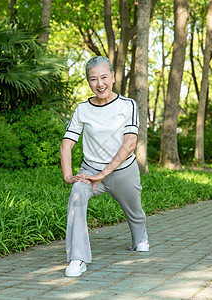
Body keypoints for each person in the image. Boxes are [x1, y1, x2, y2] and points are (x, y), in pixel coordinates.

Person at [60, 56, 149, 277]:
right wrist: (69, 176)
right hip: (89, 172)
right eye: (93, 79)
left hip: (123, 171)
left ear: (112, 77)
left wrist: (103, 174)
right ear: (88, 82)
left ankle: (140, 238)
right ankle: (78, 258)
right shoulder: (82, 109)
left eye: (103, 77)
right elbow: (66, 144)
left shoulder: (127, 105)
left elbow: (129, 143)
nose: (99, 84)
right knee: (77, 197)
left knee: (135, 212)